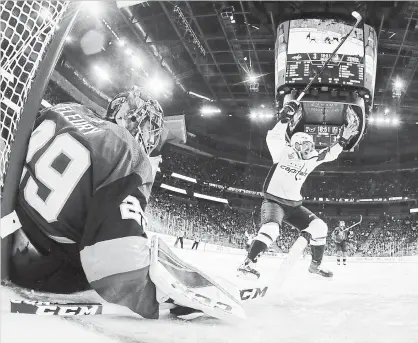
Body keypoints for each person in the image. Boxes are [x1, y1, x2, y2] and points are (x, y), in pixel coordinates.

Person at [9, 86, 243, 321]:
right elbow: (118, 268)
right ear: (136, 121)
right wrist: (156, 298)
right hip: (37, 267)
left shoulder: (66, 110)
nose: (150, 137)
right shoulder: (128, 151)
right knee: (148, 254)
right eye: (150, 127)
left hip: (10, 231)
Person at [238, 100, 359, 279]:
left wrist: (343, 139)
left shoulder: (311, 158)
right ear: (296, 146)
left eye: (311, 145)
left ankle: (315, 266)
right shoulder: (283, 153)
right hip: (274, 202)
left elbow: (331, 153)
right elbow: (273, 137)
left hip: (294, 206)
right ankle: (247, 264)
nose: (310, 149)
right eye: (306, 146)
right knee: (271, 229)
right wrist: (284, 118)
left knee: (320, 227)